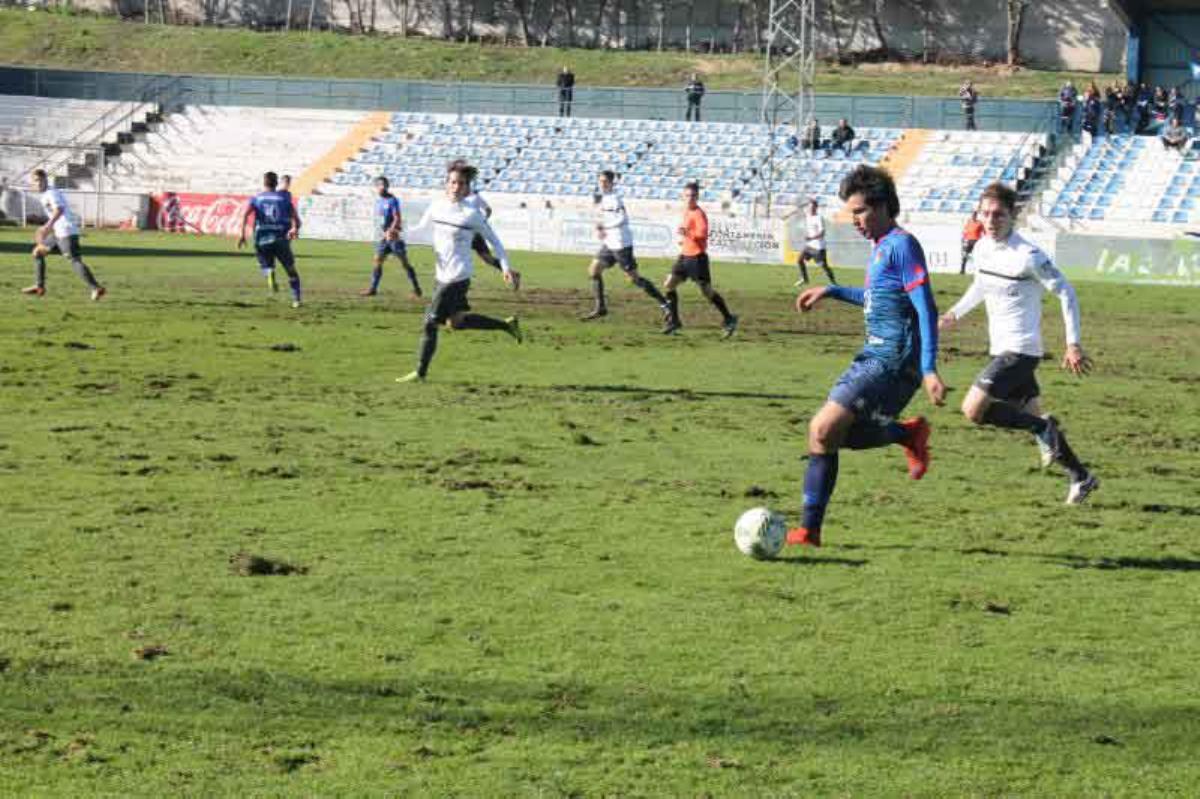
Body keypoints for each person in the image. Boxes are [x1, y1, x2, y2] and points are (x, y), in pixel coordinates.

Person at [786, 165, 947, 548]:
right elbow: (878, 299)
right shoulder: (880, 248)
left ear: (882, 206)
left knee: (822, 430)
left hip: (892, 361)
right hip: (873, 356)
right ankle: (907, 434)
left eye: (859, 211)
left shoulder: (902, 244)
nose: (854, 220)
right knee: (842, 436)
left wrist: (928, 369)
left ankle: (809, 532)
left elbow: (926, 307)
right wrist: (832, 290)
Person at [938, 182, 1098, 505]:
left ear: (1013, 215)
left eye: (998, 214)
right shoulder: (982, 247)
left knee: (973, 410)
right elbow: (980, 287)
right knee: (1030, 414)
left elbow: (1066, 292)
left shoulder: (1029, 256)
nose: (990, 220)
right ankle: (1081, 477)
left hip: (1021, 350)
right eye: (985, 213)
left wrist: (1073, 344)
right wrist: (953, 314)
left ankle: (1044, 428)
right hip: (1000, 348)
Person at [396, 163, 523, 384]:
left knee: (429, 322)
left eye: (461, 184)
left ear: (467, 188)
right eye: (453, 182)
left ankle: (420, 373)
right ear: (447, 184)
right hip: (441, 276)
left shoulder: (471, 214)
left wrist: (505, 268)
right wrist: (399, 234)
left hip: (458, 277)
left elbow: (497, 243)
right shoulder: (436, 206)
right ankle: (507, 325)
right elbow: (419, 230)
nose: (456, 187)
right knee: (455, 322)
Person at [580, 170, 672, 324]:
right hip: (610, 243)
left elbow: (622, 218)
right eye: (600, 181)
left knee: (634, 279)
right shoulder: (604, 198)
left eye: (605, 181)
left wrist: (604, 227)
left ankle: (664, 303)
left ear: (611, 183)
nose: (602, 184)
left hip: (621, 244)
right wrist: (602, 228)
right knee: (594, 270)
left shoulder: (615, 199)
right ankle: (601, 307)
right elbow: (606, 218)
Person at [662, 181, 737, 338]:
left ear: (698, 197)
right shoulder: (686, 212)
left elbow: (702, 234)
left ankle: (729, 318)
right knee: (669, 285)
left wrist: (687, 233)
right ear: (683, 196)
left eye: (693, 196)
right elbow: (688, 233)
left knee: (707, 292)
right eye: (688, 195)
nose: (690, 198)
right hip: (684, 256)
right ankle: (674, 321)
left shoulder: (698, 214)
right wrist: (684, 240)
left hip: (697, 258)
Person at [20, 168, 106, 301]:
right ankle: (39, 286)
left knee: (74, 261)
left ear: (45, 180)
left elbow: (59, 210)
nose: (37, 184)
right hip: (59, 233)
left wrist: (46, 227)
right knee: (37, 252)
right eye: (35, 181)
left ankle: (96, 287)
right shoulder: (47, 195)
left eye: (39, 180)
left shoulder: (51, 193)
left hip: (66, 231)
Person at [237, 171, 302, 307]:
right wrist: (294, 228)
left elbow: (244, 215)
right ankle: (296, 300)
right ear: (276, 183)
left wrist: (242, 234)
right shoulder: (284, 199)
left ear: (264, 182)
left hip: (262, 239)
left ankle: (270, 273)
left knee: (266, 265)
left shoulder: (257, 199)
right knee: (291, 270)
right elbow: (296, 219)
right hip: (280, 239)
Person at [362, 176, 422, 298]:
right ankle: (373, 289)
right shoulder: (379, 201)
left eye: (384, 185)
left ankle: (417, 289)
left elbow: (397, 217)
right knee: (377, 260)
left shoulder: (392, 200)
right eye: (379, 185)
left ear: (387, 186)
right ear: (376, 187)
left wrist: (391, 230)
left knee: (404, 263)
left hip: (393, 237)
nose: (382, 187)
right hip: (384, 237)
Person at [795, 197, 837, 286]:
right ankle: (804, 279)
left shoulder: (819, 218)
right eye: (809, 207)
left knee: (823, 266)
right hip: (809, 246)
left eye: (812, 207)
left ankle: (834, 283)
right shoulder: (807, 216)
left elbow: (822, 233)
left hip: (819, 247)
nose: (810, 208)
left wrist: (811, 238)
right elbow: (798, 210)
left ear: (816, 208)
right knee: (799, 260)